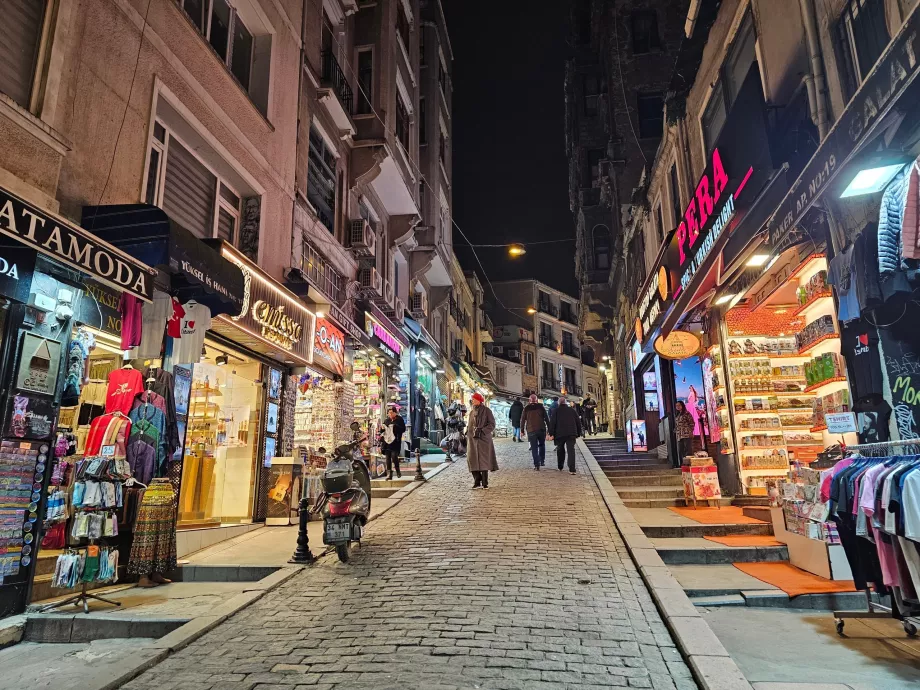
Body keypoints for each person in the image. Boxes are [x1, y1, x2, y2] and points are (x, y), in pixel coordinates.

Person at [467, 393, 498, 488]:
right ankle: (477, 481)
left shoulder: (487, 411)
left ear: (479, 400)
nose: (472, 401)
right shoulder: (471, 412)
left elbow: (492, 424)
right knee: (472, 459)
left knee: (484, 461)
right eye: (472, 399)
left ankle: (485, 482)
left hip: (484, 440)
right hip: (473, 440)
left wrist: (482, 431)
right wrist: (468, 434)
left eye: (474, 399)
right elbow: (470, 425)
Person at [549, 396, 582, 474]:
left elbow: (552, 423)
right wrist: (578, 433)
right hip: (571, 433)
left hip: (559, 434)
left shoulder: (556, 411)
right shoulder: (572, 410)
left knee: (560, 449)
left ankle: (560, 466)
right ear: (566, 403)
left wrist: (551, 433)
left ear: (559, 403)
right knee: (571, 450)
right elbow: (578, 422)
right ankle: (572, 469)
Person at [522, 394, 549, 469]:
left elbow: (522, 420)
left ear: (529, 401)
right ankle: (542, 461)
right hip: (541, 429)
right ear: (537, 400)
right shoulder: (541, 407)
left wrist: (522, 430)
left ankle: (537, 465)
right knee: (542, 445)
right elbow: (547, 418)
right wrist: (549, 430)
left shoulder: (526, 408)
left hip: (531, 430)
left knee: (534, 448)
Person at [381, 405, 406, 480]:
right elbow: (382, 431)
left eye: (392, 413)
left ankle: (398, 470)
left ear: (395, 413)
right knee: (388, 458)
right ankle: (389, 474)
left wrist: (395, 427)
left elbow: (403, 429)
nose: (390, 414)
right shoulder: (387, 420)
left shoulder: (399, 419)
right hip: (387, 442)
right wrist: (382, 429)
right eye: (389, 413)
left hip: (395, 442)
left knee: (394, 456)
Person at [675, 400, 695, 466]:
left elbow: (692, 423)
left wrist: (689, 431)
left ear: (682, 406)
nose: (677, 407)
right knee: (681, 450)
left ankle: (689, 464)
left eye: (679, 405)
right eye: (676, 406)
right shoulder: (677, 415)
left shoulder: (687, 413)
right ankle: (683, 464)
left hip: (687, 435)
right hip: (679, 436)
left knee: (688, 450)